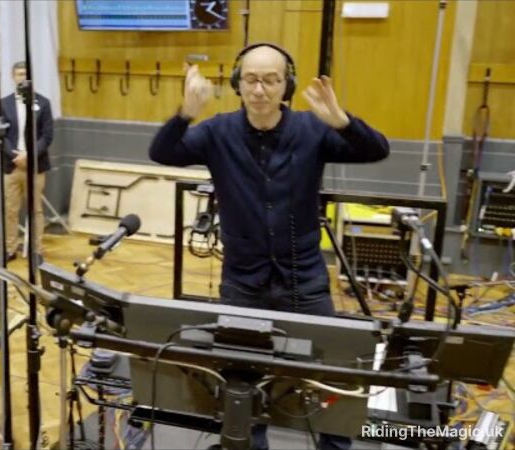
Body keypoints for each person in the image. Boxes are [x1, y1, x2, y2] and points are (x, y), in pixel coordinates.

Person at [148, 43, 390, 450]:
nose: (260, 89)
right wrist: (185, 113)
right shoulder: (216, 132)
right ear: (238, 84)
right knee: (242, 376)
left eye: (271, 79)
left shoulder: (312, 130)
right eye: (251, 79)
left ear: (287, 85)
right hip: (244, 282)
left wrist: (343, 122)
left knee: (330, 372)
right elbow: (162, 152)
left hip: (305, 278)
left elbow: (377, 149)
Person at [0, 61, 54, 262]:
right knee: (10, 210)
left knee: (36, 209)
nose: (22, 77)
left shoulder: (44, 103)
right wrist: (15, 156)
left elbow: (47, 136)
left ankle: (36, 250)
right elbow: (1, 134)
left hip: (35, 165)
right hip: (12, 164)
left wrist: (29, 155)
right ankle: (10, 249)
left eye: (25, 74)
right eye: (19, 74)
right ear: (13, 77)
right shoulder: (3, 103)